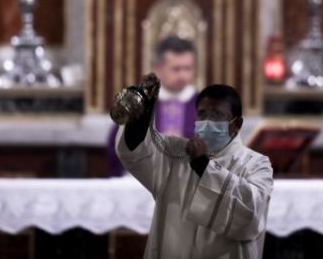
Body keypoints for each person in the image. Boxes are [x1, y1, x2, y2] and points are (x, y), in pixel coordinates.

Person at [115, 78, 273, 258]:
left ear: (237, 125)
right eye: (202, 114)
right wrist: (139, 116)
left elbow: (250, 215)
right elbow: (138, 152)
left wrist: (204, 167)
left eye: (216, 115)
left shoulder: (256, 164)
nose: (207, 121)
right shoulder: (176, 153)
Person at [108, 36, 198, 176]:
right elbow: (117, 146)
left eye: (188, 68)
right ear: (158, 69)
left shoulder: (204, 104)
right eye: (176, 69)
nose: (183, 75)